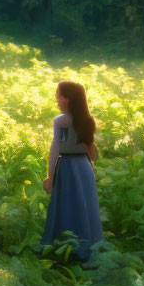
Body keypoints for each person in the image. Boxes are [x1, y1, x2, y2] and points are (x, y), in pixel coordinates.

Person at [40, 81, 103, 262]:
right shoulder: (87, 120)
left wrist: (51, 175)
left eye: (59, 96)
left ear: (68, 99)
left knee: (67, 205)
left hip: (67, 167)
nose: (57, 100)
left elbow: (55, 150)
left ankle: (66, 246)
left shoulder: (60, 121)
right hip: (83, 167)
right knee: (83, 205)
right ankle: (85, 244)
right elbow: (92, 153)